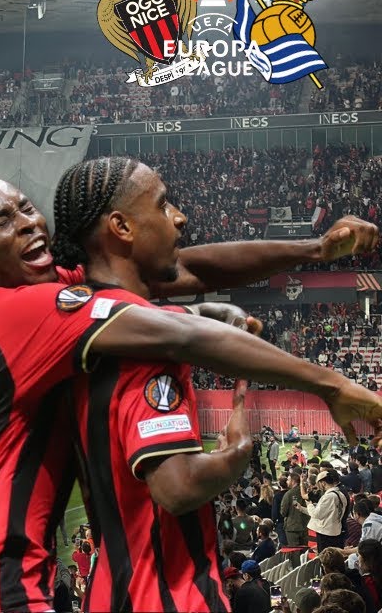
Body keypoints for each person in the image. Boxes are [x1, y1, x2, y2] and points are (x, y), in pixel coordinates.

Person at [0, 170, 382, 613]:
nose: (28, 222)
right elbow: (182, 340)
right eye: (2, 219)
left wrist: (314, 249)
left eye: (26, 207)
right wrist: (331, 384)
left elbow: (187, 269)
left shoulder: (42, 296)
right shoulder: (22, 309)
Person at [48, 157, 382, 612]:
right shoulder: (145, 343)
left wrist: (316, 249)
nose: (180, 217)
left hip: (114, 588)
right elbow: (177, 487)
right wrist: (239, 450)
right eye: (162, 205)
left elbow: (200, 268)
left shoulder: (91, 308)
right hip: (167, 597)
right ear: (121, 227)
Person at [300, 470, 349, 551]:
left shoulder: (329, 497)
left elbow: (316, 514)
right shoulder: (340, 494)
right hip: (335, 530)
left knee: (326, 555)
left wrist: (309, 504)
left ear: (323, 483)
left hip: (326, 533)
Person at [283, 472, 312, 547]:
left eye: (288, 480)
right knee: (305, 549)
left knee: (294, 550)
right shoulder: (307, 492)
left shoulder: (288, 494)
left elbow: (283, 511)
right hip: (305, 525)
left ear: (293, 481)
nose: (287, 482)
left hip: (292, 528)